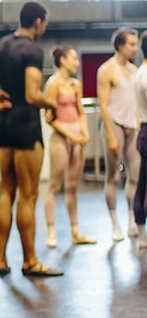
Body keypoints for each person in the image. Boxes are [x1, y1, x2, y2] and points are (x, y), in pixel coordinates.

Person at [0, 1, 62, 277]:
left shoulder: (1, 45)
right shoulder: (33, 50)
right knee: (28, 195)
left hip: (3, 122)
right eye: (45, 24)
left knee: (7, 192)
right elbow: (32, 95)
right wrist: (53, 105)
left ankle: (2, 259)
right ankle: (30, 261)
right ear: (38, 22)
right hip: (26, 124)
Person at [43, 46, 95, 248]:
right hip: (61, 137)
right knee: (55, 185)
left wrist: (85, 133)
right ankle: (51, 230)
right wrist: (72, 135)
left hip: (77, 137)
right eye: (74, 58)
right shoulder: (53, 84)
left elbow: (80, 112)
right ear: (63, 60)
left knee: (72, 186)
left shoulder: (75, 84)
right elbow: (49, 119)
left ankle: (75, 230)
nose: (77, 62)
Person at [96, 27, 141, 242]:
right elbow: (103, 105)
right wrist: (110, 136)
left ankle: (132, 218)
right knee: (113, 176)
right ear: (120, 46)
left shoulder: (134, 70)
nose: (135, 47)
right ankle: (115, 224)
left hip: (133, 126)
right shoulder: (106, 70)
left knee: (135, 175)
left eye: (136, 43)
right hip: (114, 124)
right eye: (131, 44)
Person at [132, 31, 147, 248]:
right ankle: (142, 234)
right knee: (144, 186)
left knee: (143, 184)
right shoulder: (144, 74)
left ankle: (142, 234)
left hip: (144, 130)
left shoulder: (140, 72)